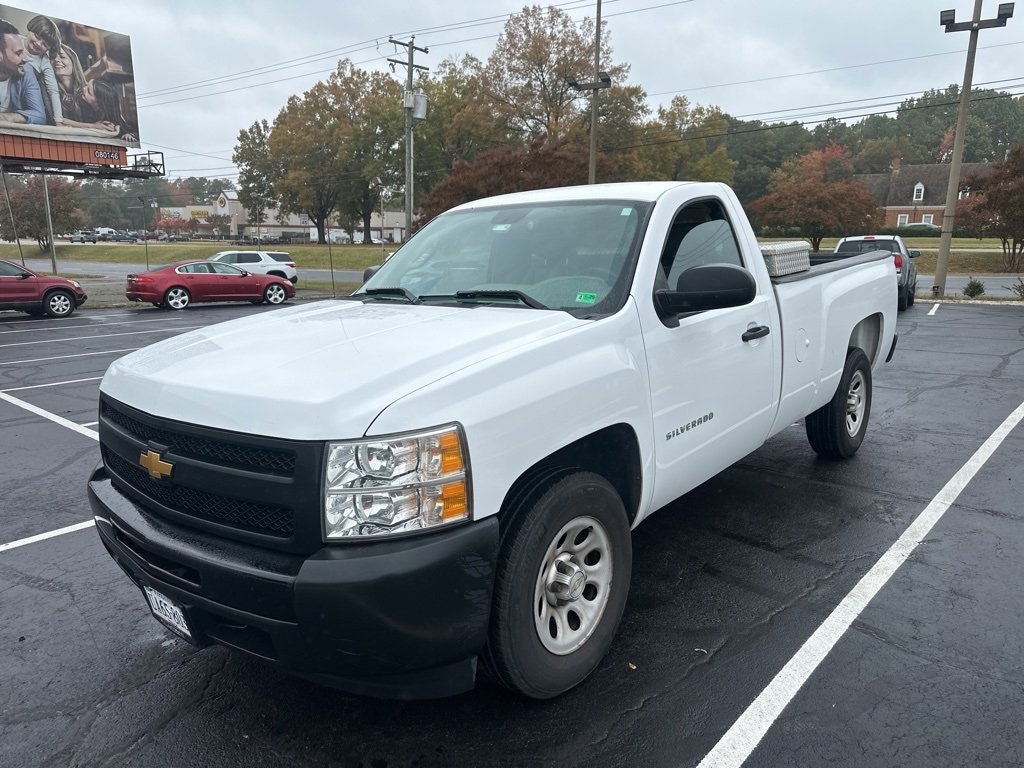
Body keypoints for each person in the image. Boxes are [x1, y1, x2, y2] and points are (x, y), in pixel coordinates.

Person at [52, 43, 114, 133]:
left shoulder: (87, 91)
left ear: (73, 62)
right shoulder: (50, 90)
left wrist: (125, 130)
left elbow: (110, 111)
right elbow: (54, 118)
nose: (56, 60)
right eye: (53, 57)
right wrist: (92, 126)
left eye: (62, 56)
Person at [0, 19, 45, 125]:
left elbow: (39, 116)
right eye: (18, 53)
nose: (25, 59)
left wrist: (6, 118)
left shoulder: (26, 69)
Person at [22, 14, 62, 125]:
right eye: (37, 36)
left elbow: (53, 90)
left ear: (49, 48)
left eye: (44, 44)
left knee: (40, 118)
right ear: (30, 29)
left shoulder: (44, 61)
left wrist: (59, 120)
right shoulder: (15, 41)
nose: (38, 43)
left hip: (22, 95)